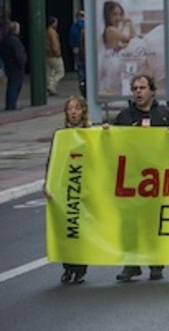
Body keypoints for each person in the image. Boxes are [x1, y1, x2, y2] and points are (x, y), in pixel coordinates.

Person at [111, 74, 169, 282]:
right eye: (134, 89)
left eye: (142, 88)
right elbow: (111, 145)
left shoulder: (166, 115)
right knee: (129, 224)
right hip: (131, 181)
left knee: (152, 223)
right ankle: (131, 264)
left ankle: (155, 263)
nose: (138, 92)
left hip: (156, 181)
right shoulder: (124, 117)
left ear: (152, 91)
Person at [47, 96, 92, 284]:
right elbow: (53, 160)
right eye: (70, 109)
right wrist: (48, 183)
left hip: (86, 187)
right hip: (65, 187)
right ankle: (67, 266)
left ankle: (80, 267)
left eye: (77, 108)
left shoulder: (91, 134)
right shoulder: (60, 135)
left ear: (83, 111)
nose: (73, 112)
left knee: (81, 229)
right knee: (66, 228)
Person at [1, 21, 27, 111]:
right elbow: (18, 54)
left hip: (9, 66)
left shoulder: (6, 40)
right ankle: (11, 105)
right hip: (15, 67)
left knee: (12, 85)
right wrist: (22, 63)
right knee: (15, 85)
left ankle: (10, 104)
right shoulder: (15, 41)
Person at [46, 16, 65, 96]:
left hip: (47, 55)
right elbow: (55, 44)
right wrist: (57, 53)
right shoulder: (53, 32)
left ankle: (50, 89)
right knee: (60, 72)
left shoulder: (46, 31)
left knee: (50, 73)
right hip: (54, 55)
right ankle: (51, 86)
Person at [69, 10, 86, 97]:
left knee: (80, 67)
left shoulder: (74, 27)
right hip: (87, 52)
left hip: (77, 50)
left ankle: (82, 82)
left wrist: (74, 47)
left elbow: (71, 38)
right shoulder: (88, 26)